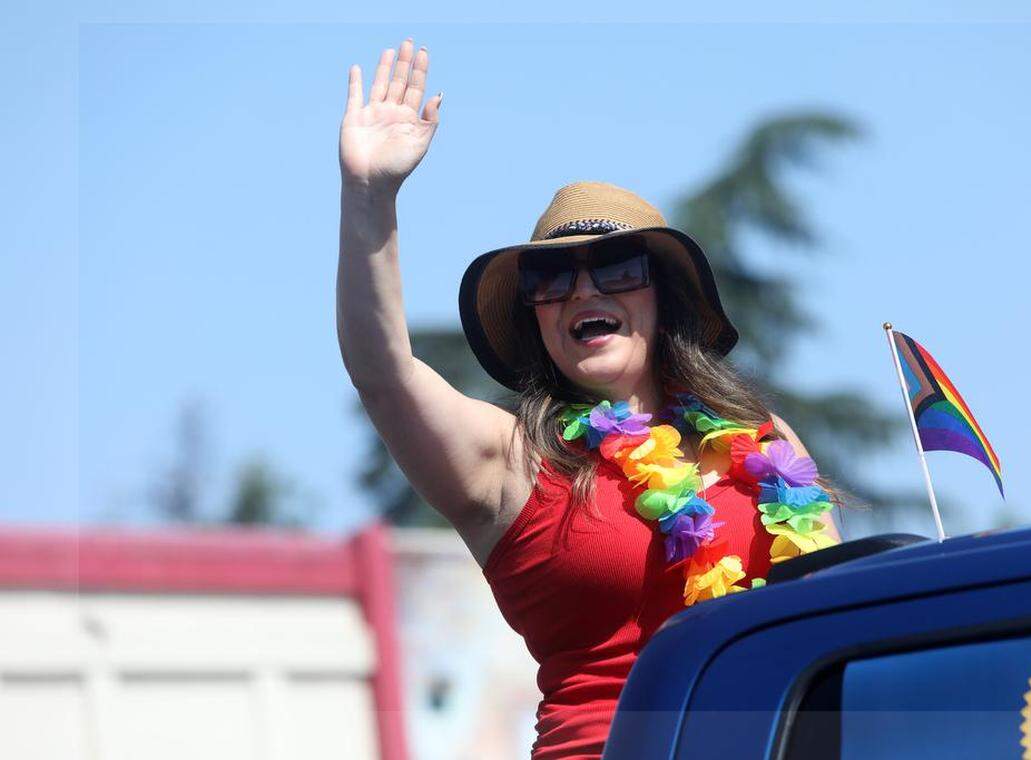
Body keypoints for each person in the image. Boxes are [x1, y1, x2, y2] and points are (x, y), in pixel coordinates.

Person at [337, 38, 842, 760]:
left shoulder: (762, 440)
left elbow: (836, 609)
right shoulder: (507, 462)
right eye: (552, 278)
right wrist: (369, 197)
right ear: (536, 319)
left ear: (661, 299)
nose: (583, 292)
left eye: (615, 266)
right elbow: (383, 375)